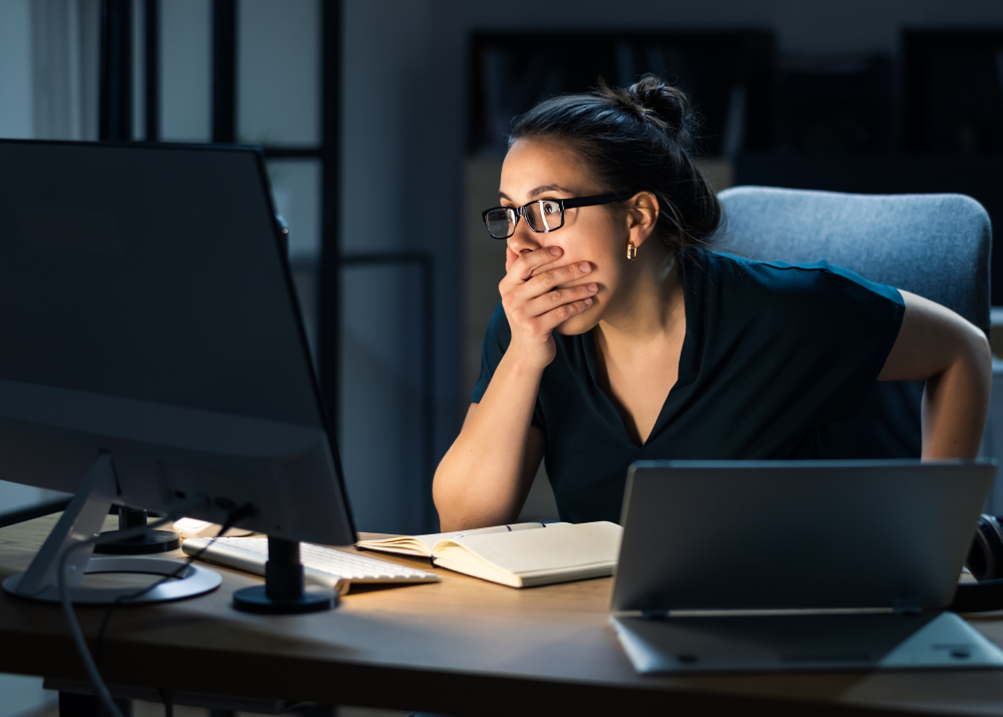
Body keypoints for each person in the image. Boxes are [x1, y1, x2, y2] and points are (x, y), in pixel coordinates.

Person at [432, 75, 992, 533]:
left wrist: (938, 535)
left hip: (780, 618)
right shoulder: (529, 329)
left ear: (638, 217)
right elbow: (464, 519)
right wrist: (525, 357)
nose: (521, 244)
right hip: (598, 629)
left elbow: (961, 349)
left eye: (548, 209)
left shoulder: (787, 311)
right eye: (509, 213)